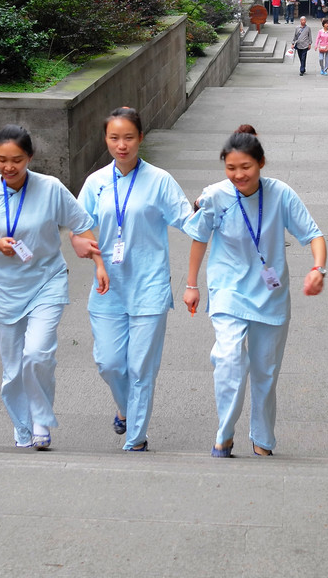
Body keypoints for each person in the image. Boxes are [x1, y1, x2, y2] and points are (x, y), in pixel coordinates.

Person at [0, 124, 105, 451]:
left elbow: (82, 225)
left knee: (38, 354)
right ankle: (23, 430)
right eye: (2, 159)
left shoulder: (51, 188)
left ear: (30, 158)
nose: (9, 167)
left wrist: (97, 262)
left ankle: (40, 422)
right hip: (6, 290)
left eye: (16, 160)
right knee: (13, 371)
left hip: (47, 281)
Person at [182, 125, 327, 457]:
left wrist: (318, 268)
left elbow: (314, 235)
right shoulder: (216, 196)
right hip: (228, 290)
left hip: (270, 296)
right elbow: (199, 239)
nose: (238, 175)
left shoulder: (281, 194)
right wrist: (191, 285)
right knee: (229, 359)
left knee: (265, 371)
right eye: (231, 168)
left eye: (245, 167)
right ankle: (224, 433)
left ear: (261, 163)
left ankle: (262, 439)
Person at [78, 108, 194, 452]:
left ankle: (136, 439)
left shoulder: (159, 180)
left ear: (140, 138)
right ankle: (126, 410)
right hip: (108, 287)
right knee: (109, 362)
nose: (121, 145)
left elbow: (188, 221)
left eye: (128, 137)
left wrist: (211, 208)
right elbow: (80, 225)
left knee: (140, 367)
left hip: (149, 285)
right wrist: (95, 257)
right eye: (114, 138)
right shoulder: (96, 182)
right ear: (106, 140)